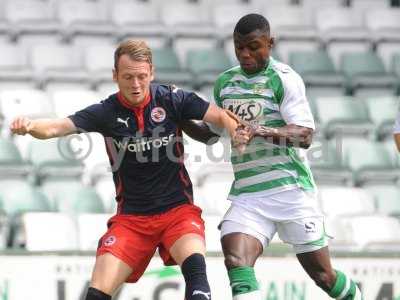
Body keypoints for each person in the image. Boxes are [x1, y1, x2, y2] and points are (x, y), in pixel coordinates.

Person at [10, 39, 241, 300]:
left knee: (197, 279)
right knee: (96, 295)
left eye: (142, 76)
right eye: (128, 77)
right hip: (132, 221)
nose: (136, 84)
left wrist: (235, 133)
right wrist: (29, 126)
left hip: (178, 212)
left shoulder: (172, 99)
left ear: (151, 73)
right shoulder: (106, 111)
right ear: (115, 76)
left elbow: (220, 117)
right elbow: (55, 128)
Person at [183, 14, 363, 300]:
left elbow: (304, 135)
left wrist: (258, 130)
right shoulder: (225, 83)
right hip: (249, 196)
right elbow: (212, 134)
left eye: (253, 46)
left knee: (324, 277)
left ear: (271, 43)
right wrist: (178, 118)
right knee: (235, 260)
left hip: (290, 192)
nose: (245, 54)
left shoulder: (285, 79)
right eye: (239, 46)